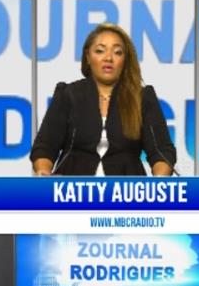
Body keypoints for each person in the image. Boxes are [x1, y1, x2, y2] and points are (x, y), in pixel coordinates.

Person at [30, 23, 176, 176]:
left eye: (117, 52)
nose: (108, 58)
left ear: (125, 60)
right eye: (100, 51)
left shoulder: (142, 97)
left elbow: (161, 151)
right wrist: (43, 171)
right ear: (88, 57)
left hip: (125, 187)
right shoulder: (68, 94)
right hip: (73, 185)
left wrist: (160, 178)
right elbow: (45, 146)